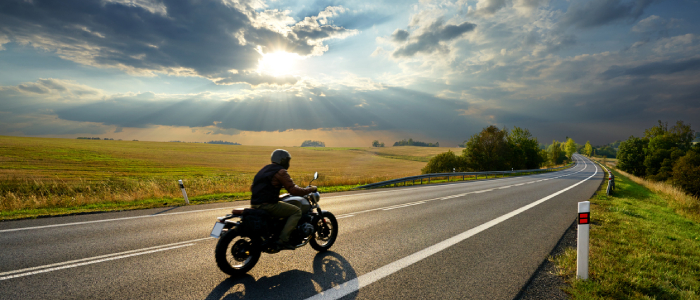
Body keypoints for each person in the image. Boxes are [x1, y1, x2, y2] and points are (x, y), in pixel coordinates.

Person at [250, 149, 317, 250]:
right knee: (296, 211)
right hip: (268, 205)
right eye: (287, 161)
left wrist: (275, 188)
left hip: (255, 204)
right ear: (283, 160)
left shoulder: (265, 169)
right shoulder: (281, 171)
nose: (288, 163)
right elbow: (293, 190)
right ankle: (283, 240)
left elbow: (253, 187)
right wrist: (310, 189)